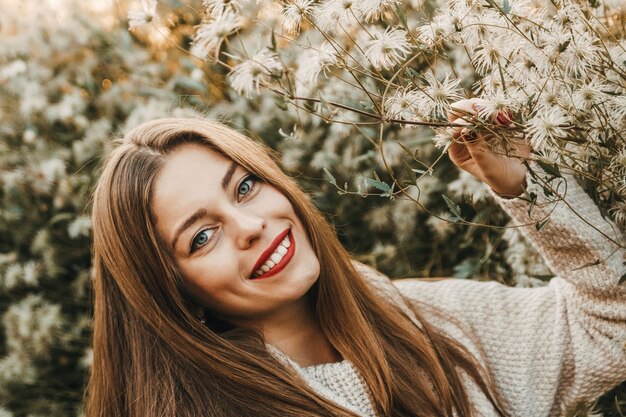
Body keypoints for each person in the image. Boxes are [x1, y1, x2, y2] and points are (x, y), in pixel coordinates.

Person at [85, 99, 626, 417]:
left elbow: (611, 326)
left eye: (245, 186)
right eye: (202, 237)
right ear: (166, 288)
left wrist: (520, 187)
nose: (250, 227)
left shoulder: (426, 323)